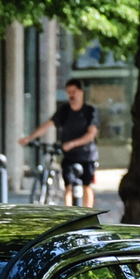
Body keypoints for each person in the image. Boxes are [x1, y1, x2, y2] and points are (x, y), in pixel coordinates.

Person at [25, 79, 101, 208]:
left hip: (87, 155)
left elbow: (91, 134)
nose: (71, 95)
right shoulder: (64, 111)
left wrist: (72, 143)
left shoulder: (90, 111)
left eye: (74, 91)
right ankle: (69, 213)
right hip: (69, 156)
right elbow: (48, 125)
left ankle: (88, 213)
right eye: (68, 92)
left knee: (86, 186)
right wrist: (30, 137)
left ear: (81, 92)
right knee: (68, 186)